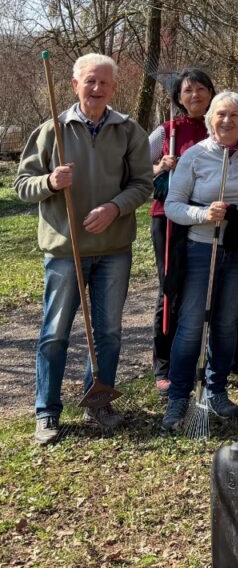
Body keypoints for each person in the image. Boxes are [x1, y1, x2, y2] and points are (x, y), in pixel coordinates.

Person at [16, 53, 152, 445]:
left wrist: (115, 208)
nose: (96, 89)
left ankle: (99, 401)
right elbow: (22, 185)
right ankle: (47, 411)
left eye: (104, 83)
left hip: (113, 249)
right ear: (75, 85)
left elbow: (142, 183)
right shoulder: (52, 130)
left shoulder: (128, 130)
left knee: (108, 332)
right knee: (54, 333)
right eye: (89, 81)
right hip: (64, 251)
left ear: (113, 87)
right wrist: (50, 183)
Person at [162, 91, 238, 431]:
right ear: (210, 120)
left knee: (226, 323)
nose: (227, 120)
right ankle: (179, 396)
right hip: (200, 249)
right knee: (191, 325)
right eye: (221, 114)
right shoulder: (194, 156)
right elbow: (173, 206)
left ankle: (216, 389)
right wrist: (205, 213)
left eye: (235, 115)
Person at [148, 69, 216, 397]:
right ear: (179, 97)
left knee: (206, 288)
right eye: (188, 91)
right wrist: (161, 166)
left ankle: (209, 358)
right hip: (170, 219)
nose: (195, 96)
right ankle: (163, 364)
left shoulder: (220, 125)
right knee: (170, 286)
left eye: (201, 89)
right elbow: (135, 172)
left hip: (208, 218)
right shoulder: (167, 131)